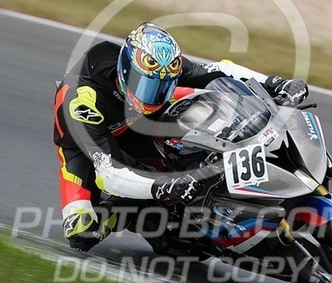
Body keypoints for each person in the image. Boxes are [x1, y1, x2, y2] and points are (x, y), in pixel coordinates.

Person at [53, 22, 309, 251]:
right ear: (125, 72)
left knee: (207, 104)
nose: (152, 94)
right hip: (88, 145)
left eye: (160, 86)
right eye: (145, 85)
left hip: (139, 120)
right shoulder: (81, 103)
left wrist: (275, 83)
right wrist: (162, 186)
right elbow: (109, 173)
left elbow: (216, 69)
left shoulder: (159, 66)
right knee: (82, 230)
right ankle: (132, 212)